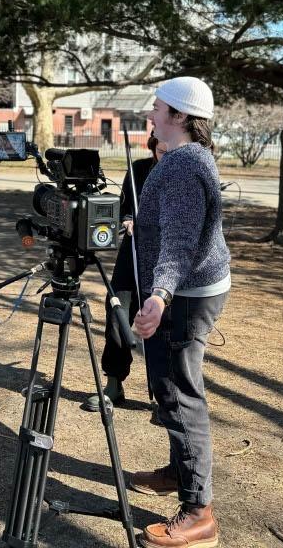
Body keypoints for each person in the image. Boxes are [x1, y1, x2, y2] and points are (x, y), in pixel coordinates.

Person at [131, 77, 230, 548]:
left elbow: (181, 241)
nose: (151, 114)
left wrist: (160, 294)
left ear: (181, 117)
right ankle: (179, 469)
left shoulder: (184, 168)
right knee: (168, 383)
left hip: (185, 295)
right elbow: (174, 226)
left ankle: (198, 512)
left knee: (179, 391)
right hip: (188, 288)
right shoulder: (182, 160)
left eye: (157, 108)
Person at [83, 134, 165, 412]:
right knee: (117, 312)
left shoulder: (180, 174)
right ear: (152, 147)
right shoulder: (139, 170)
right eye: (159, 150)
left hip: (165, 260)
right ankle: (114, 382)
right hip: (132, 255)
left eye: (169, 150)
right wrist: (128, 220)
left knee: (163, 326)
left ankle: (166, 394)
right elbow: (125, 209)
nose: (163, 155)